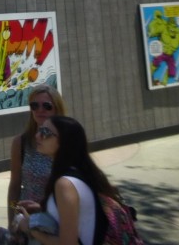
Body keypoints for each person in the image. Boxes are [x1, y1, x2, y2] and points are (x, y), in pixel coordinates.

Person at [14, 116, 123, 245]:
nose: (37, 135)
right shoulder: (80, 172)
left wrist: (29, 227)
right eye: (40, 130)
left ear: (65, 142)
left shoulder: (65, 184)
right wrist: (43, 208)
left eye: (45, 133)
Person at [7, 84, 67, 229]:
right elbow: (15, 186)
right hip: (26, 221)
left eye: (46, 106)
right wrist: (12, 219)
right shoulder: (20, 143)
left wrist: (43, 207)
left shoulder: (67, 142)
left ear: (57, 109)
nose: (40, 110)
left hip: (57, 221)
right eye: (34, 105)